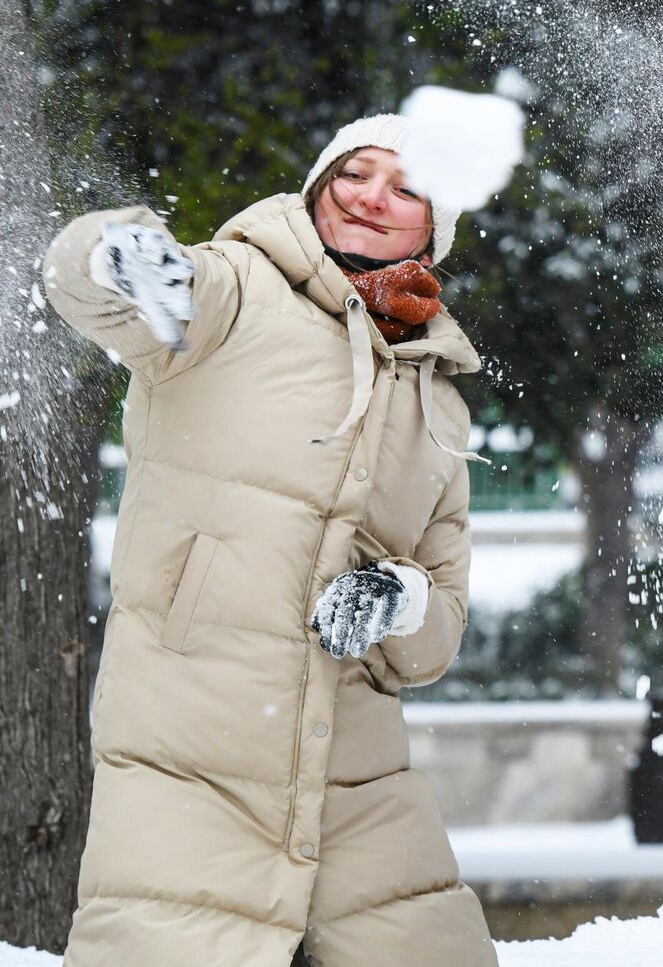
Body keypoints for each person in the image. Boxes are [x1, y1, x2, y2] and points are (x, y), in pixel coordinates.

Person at [42, 114, 496, 966]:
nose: (371, 198)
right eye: (354, 174)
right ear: (319, 186)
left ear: (434, 233)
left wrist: (401, 598)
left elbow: (436, 638)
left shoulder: (437, 402)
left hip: (358, 785)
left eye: (406, 189)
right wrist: (118, 254)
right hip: (187, 762)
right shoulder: (234, 289)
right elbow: (91, 282)